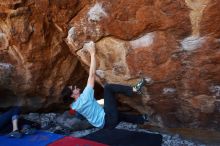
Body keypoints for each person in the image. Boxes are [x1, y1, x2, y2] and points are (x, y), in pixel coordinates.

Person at [63, 41, 148, 129]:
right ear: (73, 95)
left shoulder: (74, 105)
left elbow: (80, 113)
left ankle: (142, 119)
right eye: (73, 88)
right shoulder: (85, 98)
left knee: (117, 113)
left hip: (104, 125)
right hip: (108, 119)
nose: (75, 86)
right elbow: (91, 75)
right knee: (108, 88)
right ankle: (134, 89)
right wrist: (92, 53)